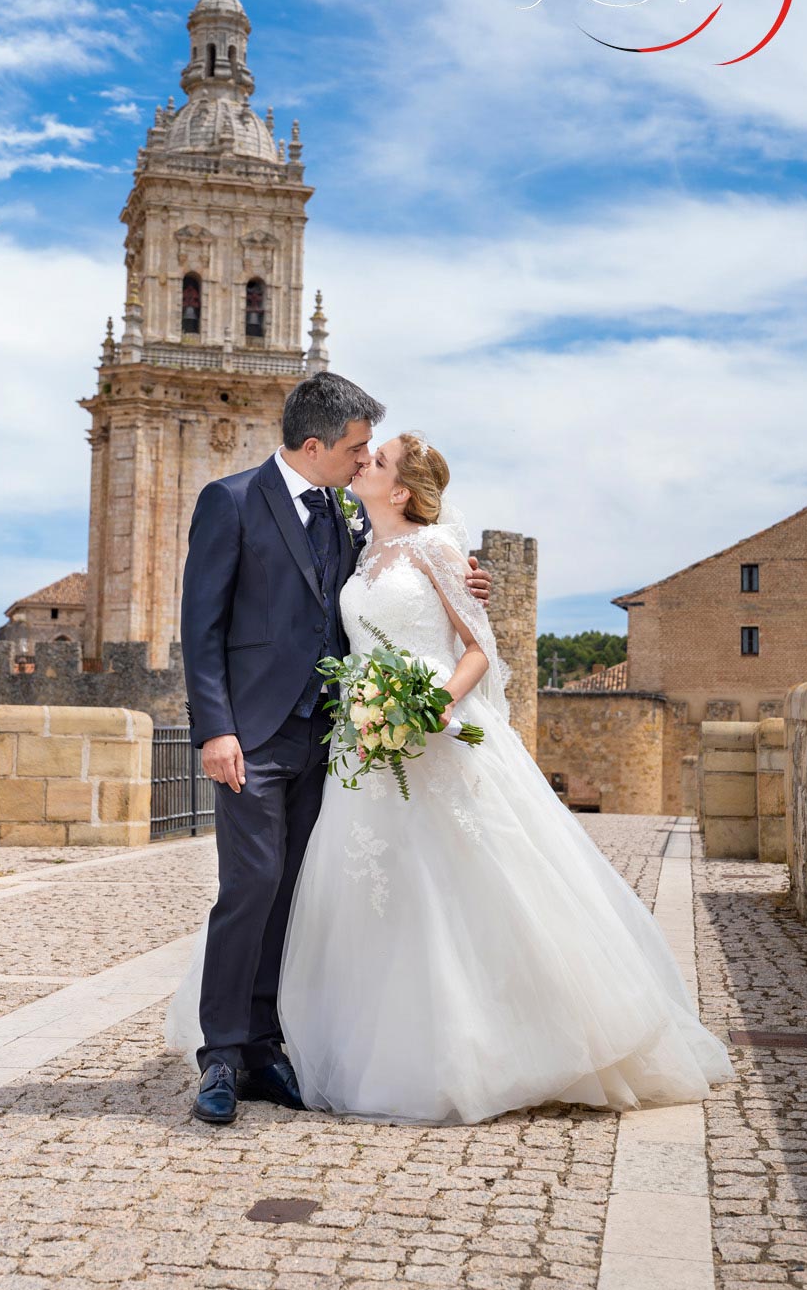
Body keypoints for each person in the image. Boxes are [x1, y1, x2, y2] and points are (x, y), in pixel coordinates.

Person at [275, 432, 736, 1122]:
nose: (361, 462)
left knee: (471, 880)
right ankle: (377, 1044)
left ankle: (512, 1044)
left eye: (375, 460)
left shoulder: (434, 549)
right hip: (366, 741)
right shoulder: (358, 545)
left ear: (400, 490)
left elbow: (478, 646)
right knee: (381, 889)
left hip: (436, 726)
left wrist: (434, 705)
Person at [170, 377, 491, 1124]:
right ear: (313, 446)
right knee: (249, 883)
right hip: (251, 737)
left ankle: (262, 1048)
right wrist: (215, 728)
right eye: (353, 449)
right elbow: (202, 626)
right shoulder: (232, 501)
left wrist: (468, 580)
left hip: (338, 742)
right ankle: (219, 1056)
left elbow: (399, 581)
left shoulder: (349, 516)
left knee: (295, 892)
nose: (360, 461)